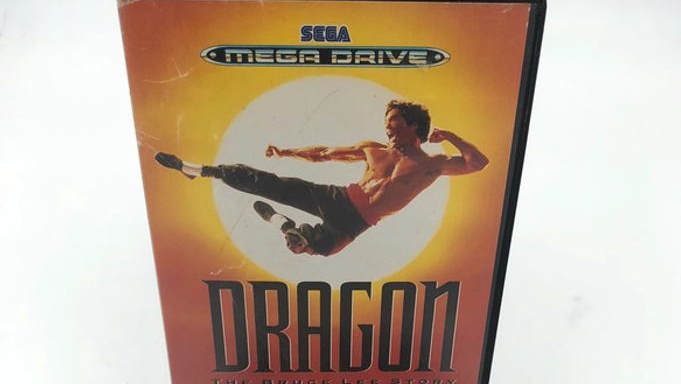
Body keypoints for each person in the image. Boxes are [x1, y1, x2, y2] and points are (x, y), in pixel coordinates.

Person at [155, 100, 488, 257]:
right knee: (269, 183)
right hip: (338, 198)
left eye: (393, 120)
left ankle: (283, 225)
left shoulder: (434, 163)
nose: (386, 126)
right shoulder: (373, 149)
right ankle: (197, 170)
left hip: (357, 223)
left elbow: (478, 163)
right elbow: (324, 153)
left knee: (312, 248)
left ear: (413, 125)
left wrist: (450, 135)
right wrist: (286, 152)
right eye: (386, 121)